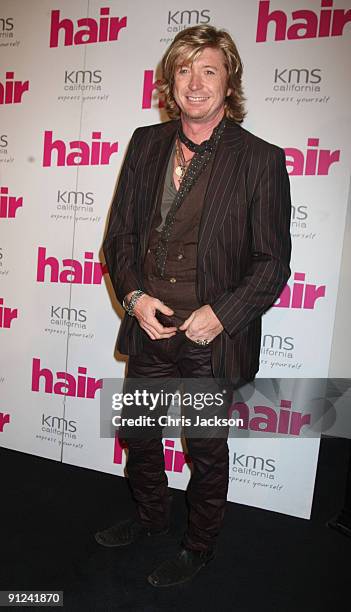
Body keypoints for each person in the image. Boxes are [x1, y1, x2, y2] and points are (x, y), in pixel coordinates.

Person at [97, 24, 292, 587]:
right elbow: (121, 239)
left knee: (205, 449)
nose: (196, 82)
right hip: (150, 327)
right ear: (170, 81)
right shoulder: (145, 143)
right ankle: (151, 518)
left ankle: (199, 544)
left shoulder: (259, 159)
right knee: (140, 434)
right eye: (184, 69)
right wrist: (133, 298)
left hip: (211, 338)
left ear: (229, 83)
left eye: (209, 69)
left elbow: (272, 262)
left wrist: (222, 315)